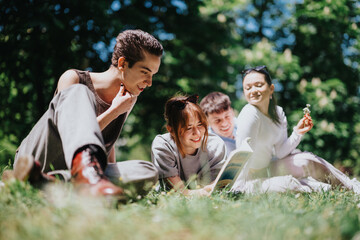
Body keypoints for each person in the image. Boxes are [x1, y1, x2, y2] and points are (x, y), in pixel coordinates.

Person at [12, 29, 164, 199]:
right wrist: (114, 111)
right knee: (79, 92)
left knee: (148, 171)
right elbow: (68, 135)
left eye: (153, 75)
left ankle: (49, 183)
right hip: (38, 158)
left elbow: (108, 142)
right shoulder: (74, 79)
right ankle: (41, 176)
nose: (150, 83)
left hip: (79, 171)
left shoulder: (129, 99)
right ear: (122, 64)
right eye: (145, 72)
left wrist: (109, 173)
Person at [231, 65, 360, 194]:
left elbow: (281, 152)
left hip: (269, 168)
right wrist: (238, 188)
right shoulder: (249, 113)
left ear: (271, 89)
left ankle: (352, 187)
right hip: (248, 179)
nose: (253, 90)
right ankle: (320, 188)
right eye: (247, 88)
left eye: (258, 85)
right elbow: (242, 154)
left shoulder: (278, 112)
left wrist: (298, 132)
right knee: (289, 184)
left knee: (307, 159)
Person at [151, 94, 226, 196]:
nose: (197, 133)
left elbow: (216, 187)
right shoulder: (163, 145)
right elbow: (179, 192)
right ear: (171, 130)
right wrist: (202, 193)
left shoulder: (215, 145)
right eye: (189, 128)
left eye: (200, 125)